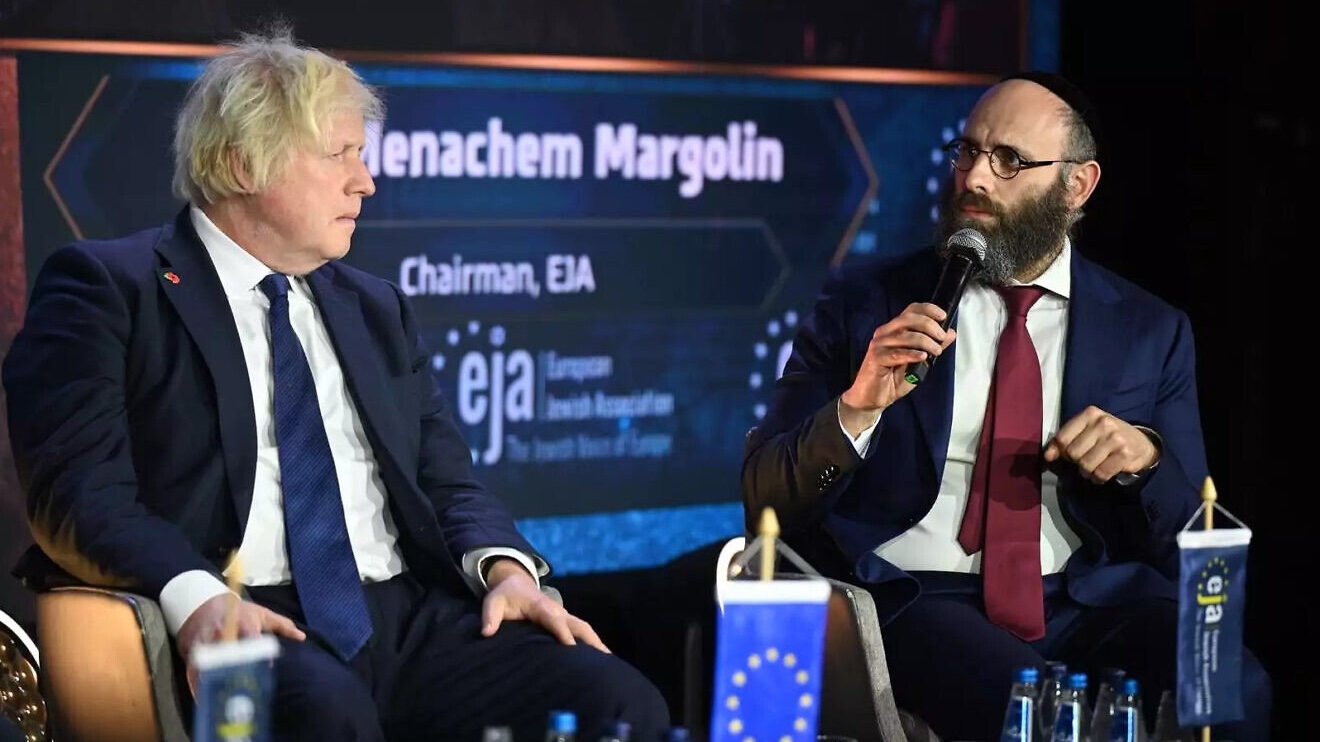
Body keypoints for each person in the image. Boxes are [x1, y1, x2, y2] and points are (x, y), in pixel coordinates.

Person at [2, 26, 668, 742]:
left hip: (409, 617)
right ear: (242, 164)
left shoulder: (374, 306)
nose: (366, 181)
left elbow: (446, 481)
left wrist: (506, 568)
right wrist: (196, 600)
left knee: (618, 700)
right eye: (338, 155)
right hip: (244, 612)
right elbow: (76, 495)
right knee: (327, 715)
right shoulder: (107, 288)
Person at [742, 71, 1272, 742]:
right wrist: (855, 409)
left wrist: (1146, 460)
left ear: (1077, 186)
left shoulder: (1148, 329)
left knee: (1236, 689)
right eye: (967, 152)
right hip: (917, 594)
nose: (975, 180)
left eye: (1009, 161)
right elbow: (765, 500)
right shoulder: (865, 302)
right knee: (1032, 708)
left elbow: (1192, 538)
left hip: (1085, 600)